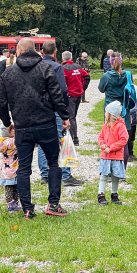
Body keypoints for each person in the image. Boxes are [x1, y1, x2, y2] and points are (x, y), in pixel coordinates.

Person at [0, 37, 70, 220]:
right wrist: (65, 116)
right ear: (36, 51)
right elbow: (57, 95)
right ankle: (53, 204)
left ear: (18, 51)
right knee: (54, 163)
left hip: (22, 127)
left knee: (23, 168)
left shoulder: (8, 73)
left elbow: (1, 102)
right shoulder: (46, 68)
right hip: (46, 124)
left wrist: (8, 123)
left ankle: (27, 209)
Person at [38, 41, 83, 187]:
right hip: (54, 108)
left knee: (42, 142)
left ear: (42, 52)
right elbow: (62, 90)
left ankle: (44, 174)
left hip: (40, 109)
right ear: (55, 52)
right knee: (62, 140)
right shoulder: (57, 67)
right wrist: (64, 113)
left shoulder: (36, 66)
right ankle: (65, 174)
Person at [97, 101, 128, 205]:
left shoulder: (120, 126)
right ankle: (100, 194)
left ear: (111, 114)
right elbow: (100, 136)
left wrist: (111, 148)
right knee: (104, 175)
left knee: (115, 176)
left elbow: (123, 140)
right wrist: (102, 144)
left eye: (107, 112)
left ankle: (114, 194)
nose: (105, 113)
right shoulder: (105, 126)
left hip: (116, 156)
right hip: (105, 156)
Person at [62, 51, 90, 146]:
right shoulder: (78, 67)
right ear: (71, 58)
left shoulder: (64, 69)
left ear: (63, 59)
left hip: (70, 95)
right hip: (78, 95)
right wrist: (83, 88)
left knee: (70, 117)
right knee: (73, 116)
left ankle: (74, 139)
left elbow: (62, 83)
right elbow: (87, 77)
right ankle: (72, 137)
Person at [0, 125, 20, 212]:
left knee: (8, 188)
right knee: (16, 188)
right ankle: (15, 203)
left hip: (5, 169)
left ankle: (10, 204)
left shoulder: (1, 142)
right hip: (14, 168)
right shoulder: (13, 142)